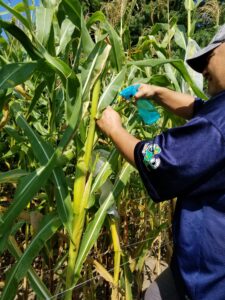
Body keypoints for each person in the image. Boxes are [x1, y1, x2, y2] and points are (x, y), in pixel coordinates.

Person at [97, 24, 225, 300]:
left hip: (208, 281)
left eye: (208, 59)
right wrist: (155, 91)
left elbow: (160, 161)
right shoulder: (220, 110)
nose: (202, 70)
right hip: (197, 269)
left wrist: (114, 129)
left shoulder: (218, 125)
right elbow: (198, 108)